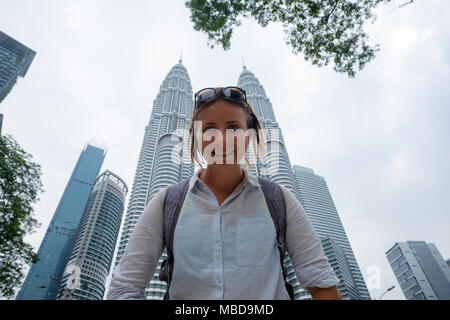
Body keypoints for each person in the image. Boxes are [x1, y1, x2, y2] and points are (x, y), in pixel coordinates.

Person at [107, 86, 341, 300]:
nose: (221, 139)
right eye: (209, 129)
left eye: (233, 128)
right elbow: (125, 287)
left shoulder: (278, 199)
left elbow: (321, 283)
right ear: (196, 138)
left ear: (249, 135)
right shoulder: (167, 202)